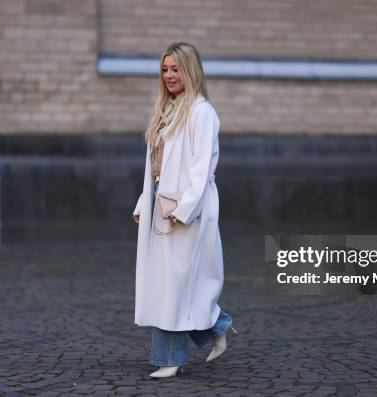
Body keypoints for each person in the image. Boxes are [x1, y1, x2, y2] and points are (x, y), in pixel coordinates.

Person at [132, 42, 237, 378]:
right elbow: (157, 167)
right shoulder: (168, 110)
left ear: (190, 70)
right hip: (163, 205)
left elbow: (200, 169)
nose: (169, 75)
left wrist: (185, 209)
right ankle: (216, 327)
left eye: (175, 69)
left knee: (176, 286)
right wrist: (143, 203)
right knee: (167, 284)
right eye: (164, 69)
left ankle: (170, 359)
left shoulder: (202, 113)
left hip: (187, 211)